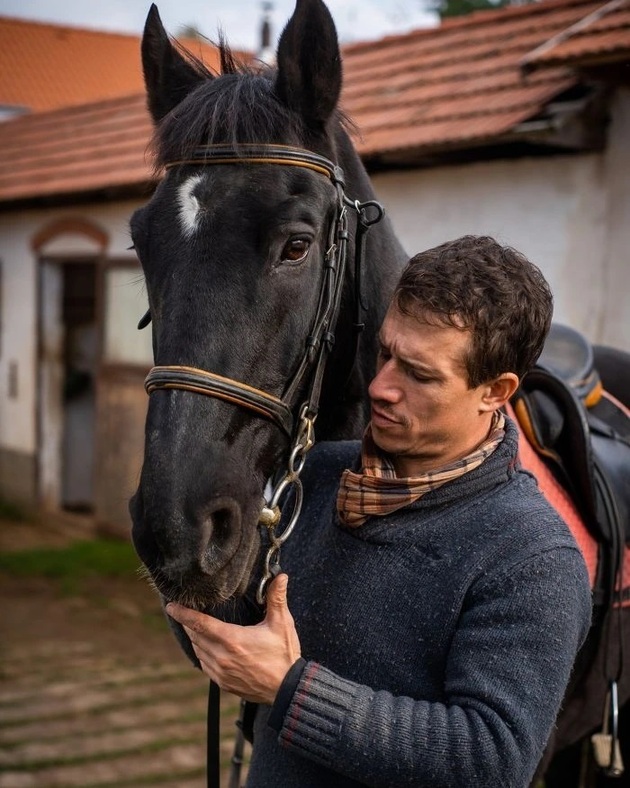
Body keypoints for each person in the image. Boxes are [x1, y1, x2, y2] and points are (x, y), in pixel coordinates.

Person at [166, 235, 592, 787]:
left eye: (419, 374)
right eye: (386, 353)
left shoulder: (532, 557)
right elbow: (232, 635)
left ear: (495, 391)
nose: (380, 387)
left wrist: (290, 688)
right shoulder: (315, 474)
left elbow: (490, 760)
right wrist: (183, 536)